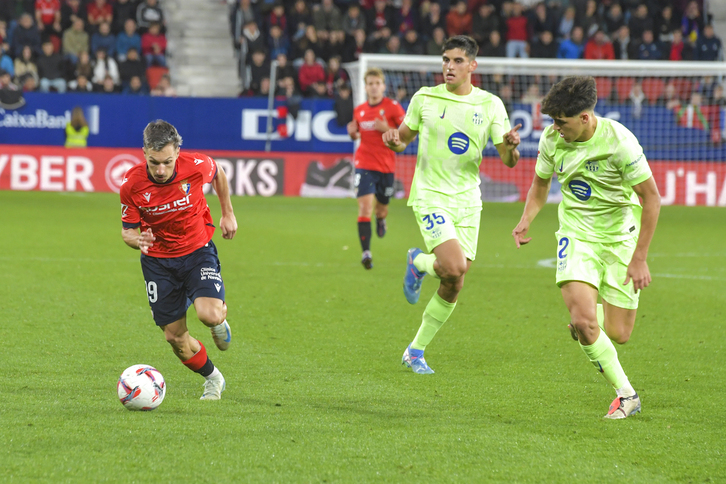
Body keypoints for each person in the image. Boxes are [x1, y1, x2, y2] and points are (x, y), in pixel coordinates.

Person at [511, 76, 661, 419]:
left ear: (584, 118)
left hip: (620, 238)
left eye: (561, 122)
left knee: (619, 334)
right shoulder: (552, 141)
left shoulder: (620, 142)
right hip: (576, 236)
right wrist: (526, 219)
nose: (555, 129)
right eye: (552, 121)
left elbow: (651, 199)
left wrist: (639, 258)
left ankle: (590, 321)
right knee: (582, 320)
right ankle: (627, 395)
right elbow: (540, 184)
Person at [382, 35, 521, 374]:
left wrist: (511, 146)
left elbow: (509, 160)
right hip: (431, 194)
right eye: (446, 60)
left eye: (458, 61)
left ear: (472, 65)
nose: (449, 66)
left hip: (468, 200)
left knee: (454, 279)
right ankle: (419, 261)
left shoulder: (490, 105)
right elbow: (403, 139)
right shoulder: (425, 98)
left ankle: (415, 349)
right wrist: (393, 141)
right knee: (455, 265)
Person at [120, 120, 238, 400]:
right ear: (144, 153)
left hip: (197, 251)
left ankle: (219, 319)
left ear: (178, 152)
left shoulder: (196, 165)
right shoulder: (131, 184)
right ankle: (213, 378)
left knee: (208, 315)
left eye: (167, 162)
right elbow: (127, 230)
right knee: (174, 337)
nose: (160, 170)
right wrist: (138, 240)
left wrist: (227, 213)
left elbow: (219, 172)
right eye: (154, 162)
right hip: (158, 263)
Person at [346, 67, 405, 269]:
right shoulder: (359, 110)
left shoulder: (393, 107)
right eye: (370, 84)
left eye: (377, 83)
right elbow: (356, 133)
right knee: (364, 208)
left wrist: (386, 129)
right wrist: (352, 133)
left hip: (386, 167)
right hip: (364, 164)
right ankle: (366, 252)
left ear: (383, 86)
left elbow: (406, 134)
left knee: (381, 210)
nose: (373, 87)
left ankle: (381, 220)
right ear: (366, 87)